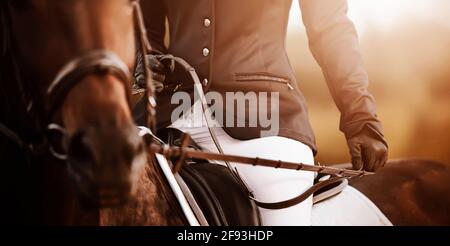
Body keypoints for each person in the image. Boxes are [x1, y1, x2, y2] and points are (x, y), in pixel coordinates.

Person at [134, 0, 388, 225]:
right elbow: (144, 24)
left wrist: (360, 117)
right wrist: (147, 57)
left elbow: (330, 28)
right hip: (169, 114)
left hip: (266, 117)